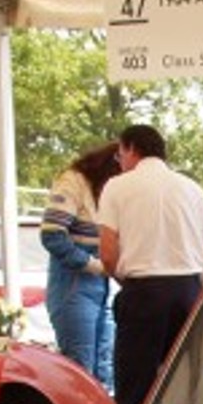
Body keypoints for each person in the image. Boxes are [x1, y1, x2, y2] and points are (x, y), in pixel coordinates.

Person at [97, 123, 203, 404]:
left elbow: (108, 253)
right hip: (189, 290)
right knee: (192, 383)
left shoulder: (118, 187)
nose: (120, 162)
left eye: (119, 154)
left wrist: (129, 282)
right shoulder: (192, 189)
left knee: (135, 389)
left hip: (143, 290)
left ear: (130, 149)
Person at [40, 143, 120, 389]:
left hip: (101, 287)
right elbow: (52, 235)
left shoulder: (108, 193)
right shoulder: (73, 182)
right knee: (80, 366)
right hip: (73, 286)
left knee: (104, 366)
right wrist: (94, 265)